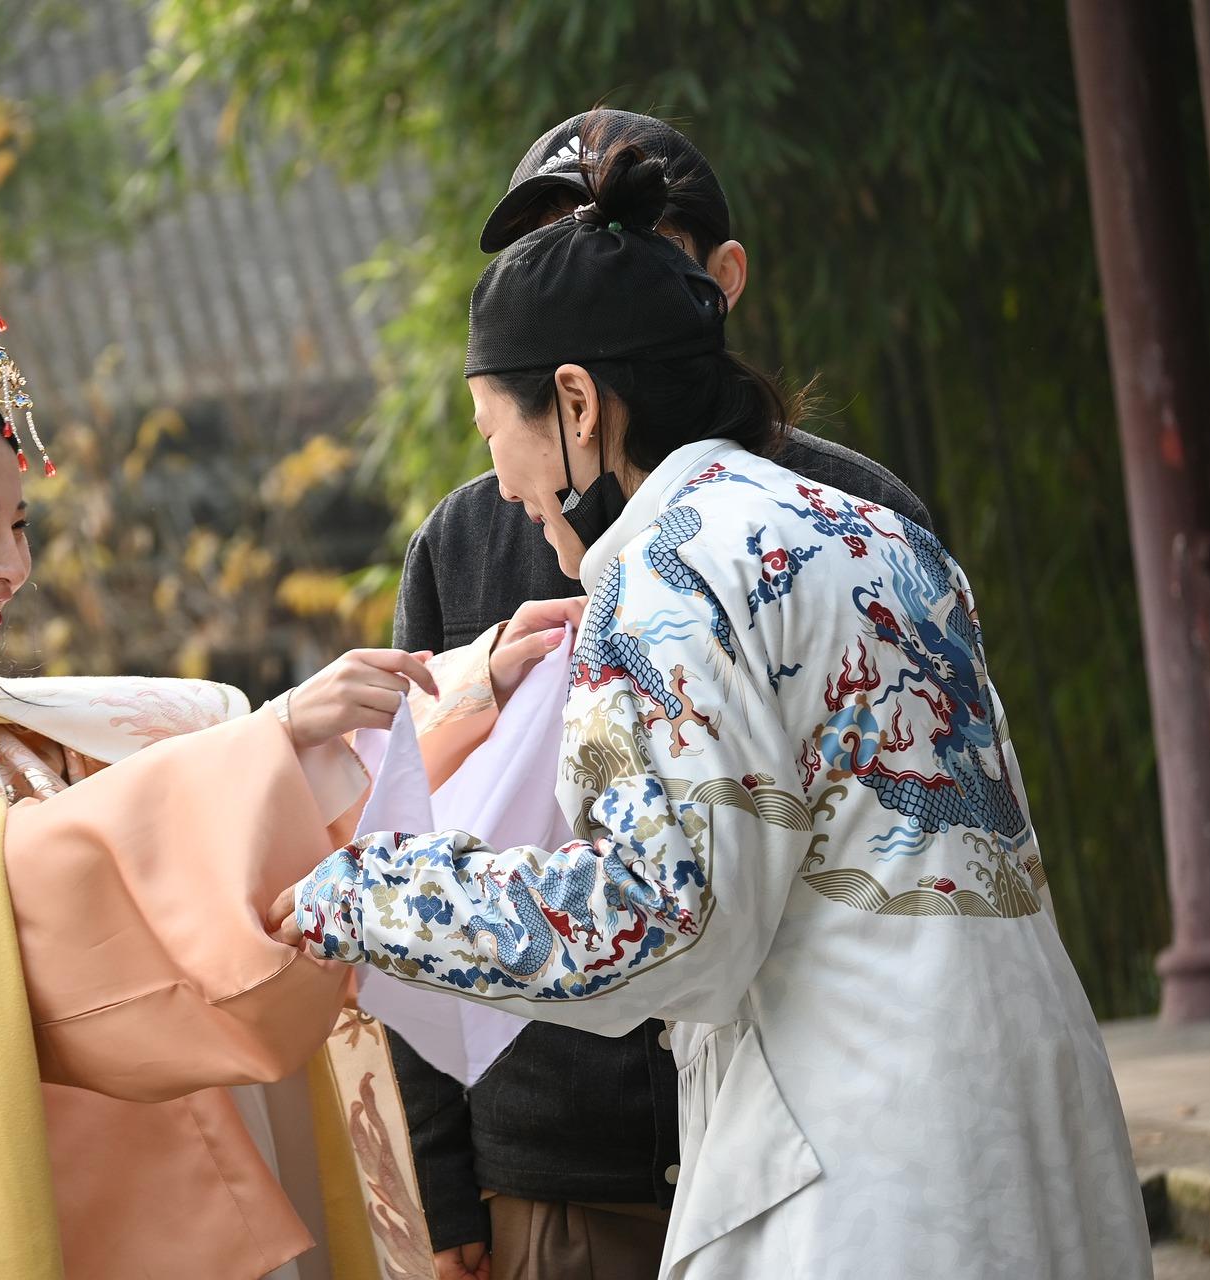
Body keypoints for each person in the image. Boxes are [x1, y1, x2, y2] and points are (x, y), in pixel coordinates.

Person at [277, 139, 1152, 1279]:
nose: (503, 486)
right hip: (1039, 1123)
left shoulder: (667, 570)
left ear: (576, 403)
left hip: (865, 1164)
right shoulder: (878, 533)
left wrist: (370, 895)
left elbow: (665, 921)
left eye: (496, 434)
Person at [0, 280, 572, 1279]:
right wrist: (277, 742)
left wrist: (456, 696)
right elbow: (55, 892)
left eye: (20, 524)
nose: (14, 564)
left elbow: (185, 779)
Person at [389, 108, 934, 1280]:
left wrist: (352, 897)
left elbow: (699, 908)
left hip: (820, 1129)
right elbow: (411, 805)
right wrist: (443, 1182)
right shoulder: (466, 541)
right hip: (560, 1163)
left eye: (618, 248)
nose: (580, 283)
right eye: (548, 257)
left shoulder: (848, 521)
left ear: (715, 282)